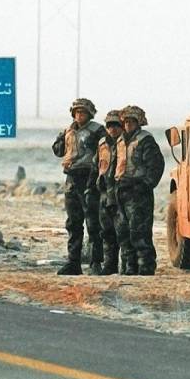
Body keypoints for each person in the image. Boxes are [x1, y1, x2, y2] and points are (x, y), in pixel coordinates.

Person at [52, 98, 106, 275]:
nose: (79, 115)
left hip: (89, 177)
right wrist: (62, 138)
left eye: (83, 112)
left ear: (89, 114)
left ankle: (96, 262)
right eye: (77, 112)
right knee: (73, 223)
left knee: (93, 223)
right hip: (72, 178)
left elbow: (107, 152)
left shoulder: (97, 131)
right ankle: (73, 262)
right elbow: (58, 151)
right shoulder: (69, 131)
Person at [109, 106, 165, 276]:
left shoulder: (145, 141)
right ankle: (130, 267)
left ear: (138, 123)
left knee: (139, 232)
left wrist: (145, 185)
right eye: (125, 122)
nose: (128, 125)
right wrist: (111, 191)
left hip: (138, 193)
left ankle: (146, 267)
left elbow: (156, 166)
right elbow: (113, 167)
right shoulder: (119, 141)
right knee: (123, 232)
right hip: (121, 191)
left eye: (131, 122)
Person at [88, 110, 123, 275]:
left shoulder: (126, 143)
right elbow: (96, 166)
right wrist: (90, 187)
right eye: (110, 126)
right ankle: (110, 265)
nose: (113, 129)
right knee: (107, 232)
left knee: (124, 232)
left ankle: (130, 267)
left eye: (116, 125)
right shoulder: (102, 143)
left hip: (121, 193)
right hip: (104, 193)